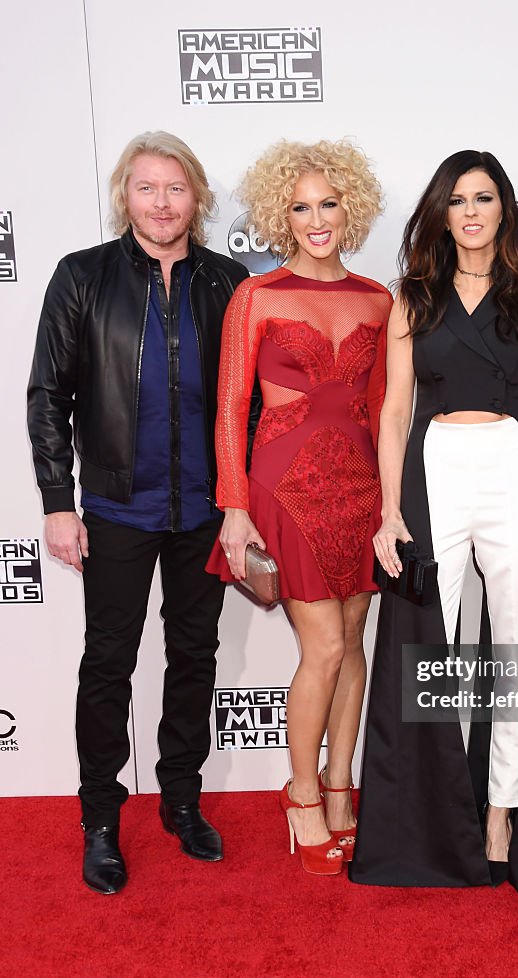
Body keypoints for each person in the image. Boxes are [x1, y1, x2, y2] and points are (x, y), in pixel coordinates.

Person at [27, 131, 252, 894]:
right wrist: (60, 502)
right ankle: (100, 819)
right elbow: (48, 396)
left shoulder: (228, 283)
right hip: (118, 507)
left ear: (197, 199)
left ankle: (181, 801)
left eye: (176, 188)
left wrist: (242, 505)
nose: (162, 202)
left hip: (206, 513)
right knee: (108, 664)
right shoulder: (81, 277)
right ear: (126, 195)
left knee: (195, 657)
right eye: (146, 187)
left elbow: (251, 405)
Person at [350, 150, 518, 905]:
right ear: (442, 213)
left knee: (517, 655)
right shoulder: (412, 296)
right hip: (436, 467)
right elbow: (393, 412)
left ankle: (502, 816)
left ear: (505, 209)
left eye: (485, 197)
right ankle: (429, 824)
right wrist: (389, 509)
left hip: (512, 469)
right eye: (458, 199)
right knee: (431, 656)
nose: (472, 211)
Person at [207, 140, 391, 875]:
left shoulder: (379, 298)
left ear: (351, 206)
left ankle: (344, 790)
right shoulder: (258, 295)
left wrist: (395, 506)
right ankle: (304, 795)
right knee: (322, 648)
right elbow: (229, 408)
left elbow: (385, 413)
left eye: (328, 203)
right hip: (284, 490)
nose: (317, 219)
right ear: (281, 215)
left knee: (353, 647)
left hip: (363, 492)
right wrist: (234, 507)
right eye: (300, 206)